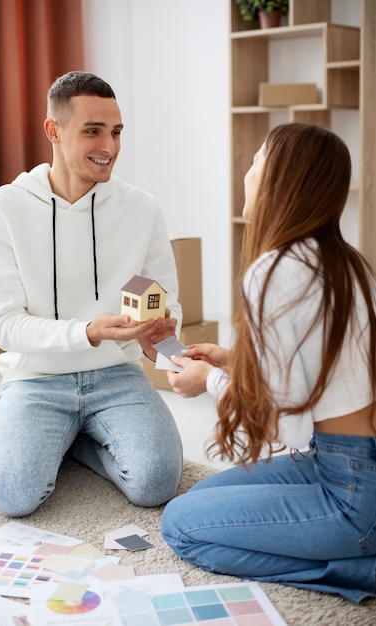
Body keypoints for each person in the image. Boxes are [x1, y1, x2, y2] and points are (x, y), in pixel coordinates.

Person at [161, 123, 376, 604]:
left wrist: (212, 380)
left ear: (282, 178)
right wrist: (236, 361)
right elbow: (323, 374)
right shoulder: (350, 264)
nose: (247, 171)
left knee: (181, 526)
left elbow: (290, 427)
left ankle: (362, 572)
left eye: (257, 160)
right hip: (350, 464)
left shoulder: (274, 270)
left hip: (352, 492)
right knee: (197, 500)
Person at [0, 71, 183, 517]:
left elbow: (166, 304)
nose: (109, 146)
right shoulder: (4, 207)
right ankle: (63, 437)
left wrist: (160, 342)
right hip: (37, 380)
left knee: (157, 482)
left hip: (117, 377)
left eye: (116, 132)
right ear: (53, 130)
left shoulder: (142, 208)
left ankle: (77, 442)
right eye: (93, 131)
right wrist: (85, 332)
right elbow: (4, 324)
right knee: (13, 496)